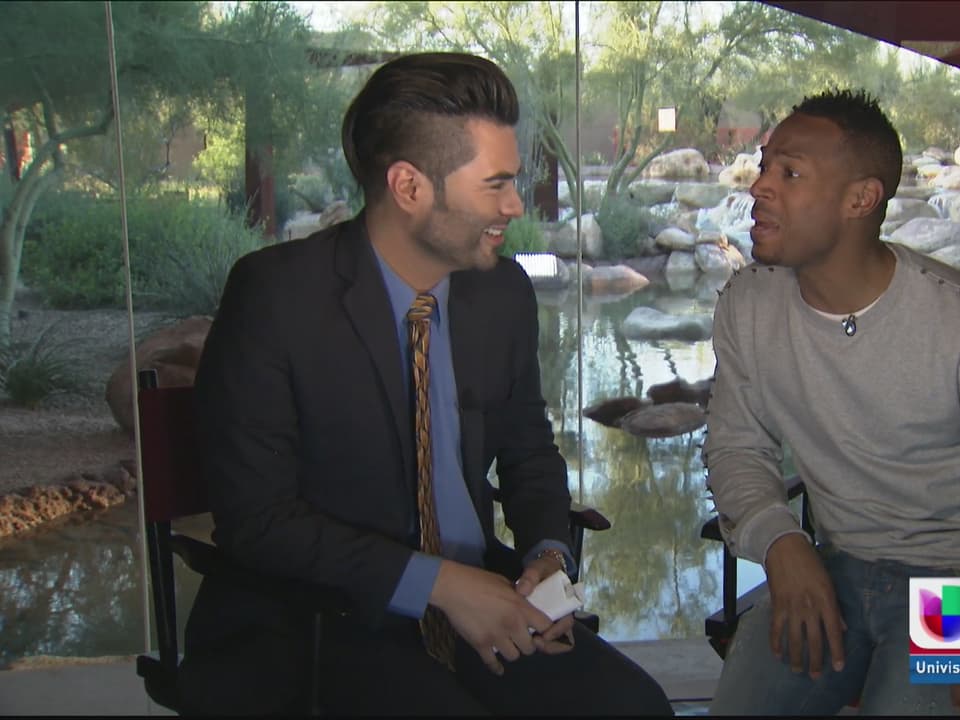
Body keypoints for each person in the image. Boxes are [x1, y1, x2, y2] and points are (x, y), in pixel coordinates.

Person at [177, 52, 671, 716]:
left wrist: (549, 556)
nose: (515, 204)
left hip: (485, 600)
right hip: (318, 620)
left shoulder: (502, 293)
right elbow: (258, 521)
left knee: (637, 708)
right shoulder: (276, 296)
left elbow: (528, 452)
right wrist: (440, 585)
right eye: (495, 185)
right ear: (409, 187)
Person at [702, 88, 960, 716]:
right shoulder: (748, 305)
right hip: (835, 565)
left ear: (861, 199)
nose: (760, 187)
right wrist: (782, 544)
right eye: (764, 166)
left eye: (790, 173)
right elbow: (736, 448)